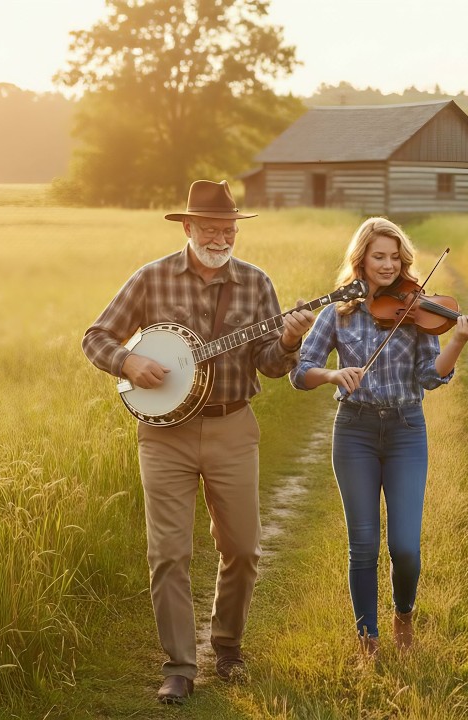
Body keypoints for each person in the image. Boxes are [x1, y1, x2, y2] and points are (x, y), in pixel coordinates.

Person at [82, 180, 316, 704]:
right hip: (164, 435)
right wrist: (128, 361)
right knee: (168, 552)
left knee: (242, 548)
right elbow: (95, 337)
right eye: (209, 227)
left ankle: (228, 646)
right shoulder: (151, 278)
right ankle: (179, 665)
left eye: (228, 228)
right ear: (187, 227)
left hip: (233, 425)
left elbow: (271, 367)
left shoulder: (256, 284)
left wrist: (289, 339)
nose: (220, 236)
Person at [290, 217, 468, 656]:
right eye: (379, 256)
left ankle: (404, 613)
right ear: (361, 259)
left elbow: (431, 378)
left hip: (405, 430)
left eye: (396, 257)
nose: (389, 265)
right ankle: (367, 639)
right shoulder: (335, 314)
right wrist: (333, 374)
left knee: (405, 547)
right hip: (353, 431)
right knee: (363, 545)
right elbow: (300, 373)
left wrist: (459, 343)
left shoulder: (416, 312)